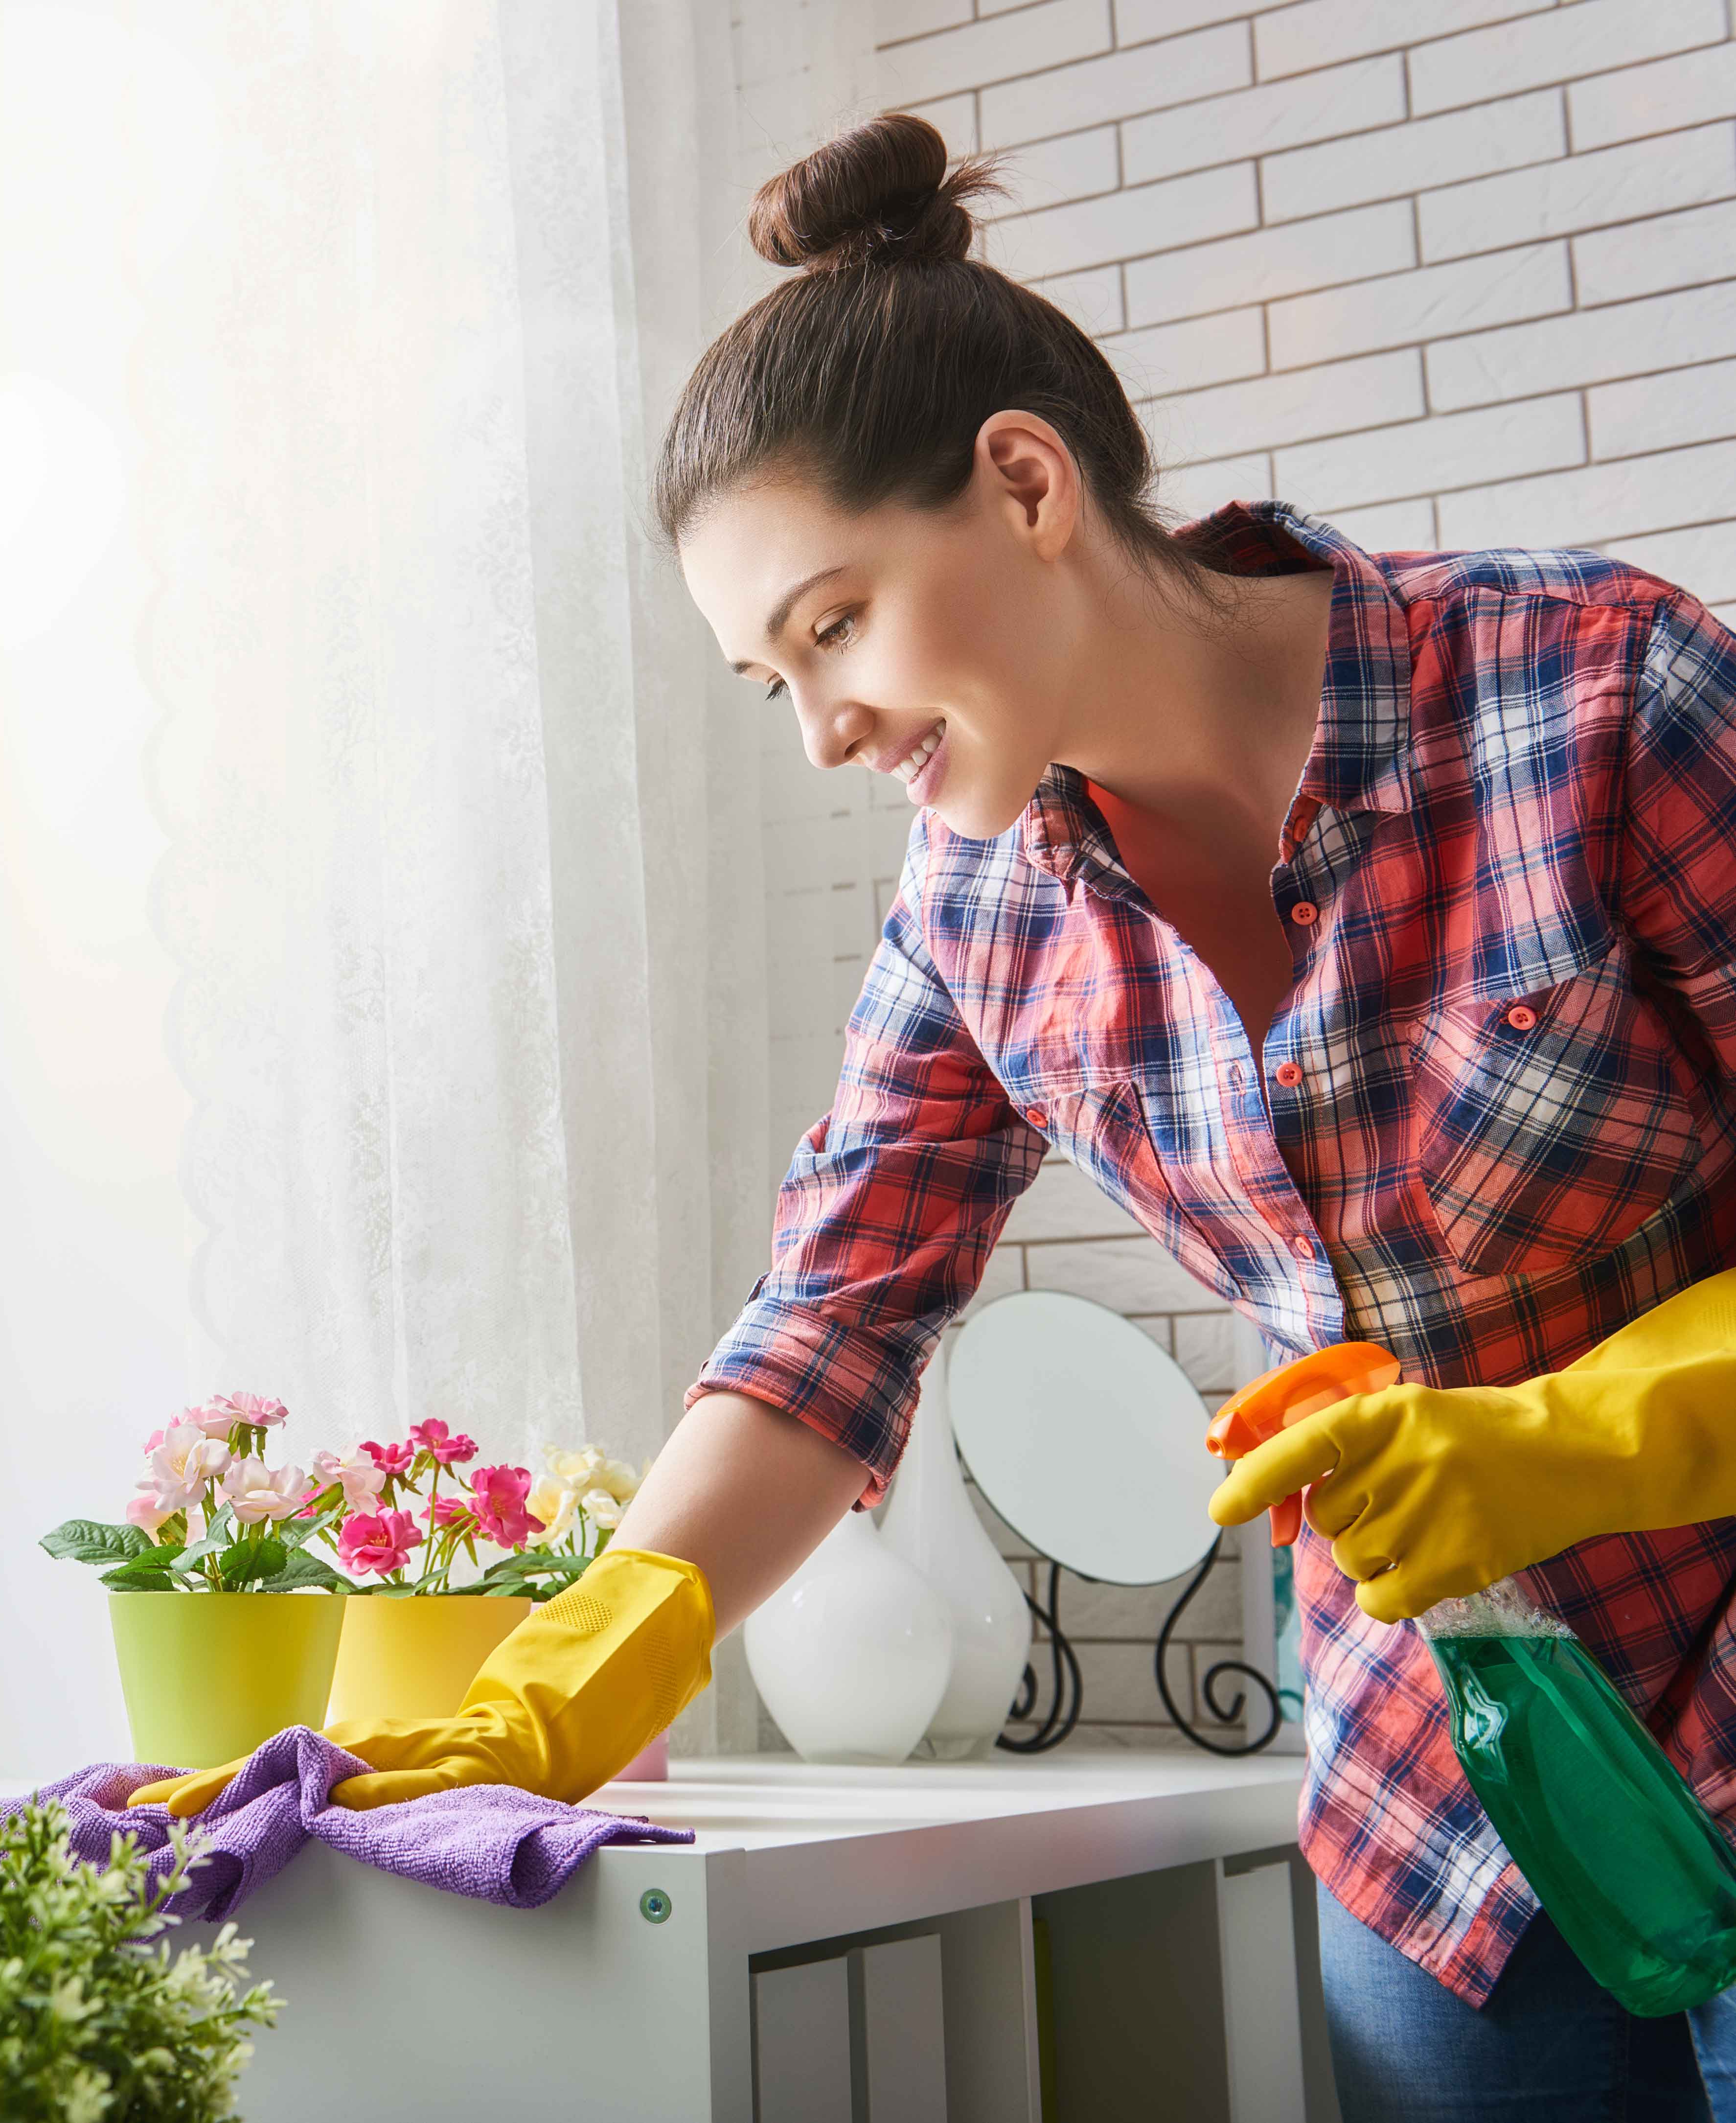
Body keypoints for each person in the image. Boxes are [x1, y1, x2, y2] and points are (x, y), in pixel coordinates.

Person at [136, 110, 1736, 2116]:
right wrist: (568, 1675)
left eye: (831, 623)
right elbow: (831, 1321)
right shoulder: (971, 910)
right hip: (1444, 1825)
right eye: (763, 678)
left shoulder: (1588, 693)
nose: (819, 728)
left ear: (1021, 479)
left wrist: (1558, 1437)